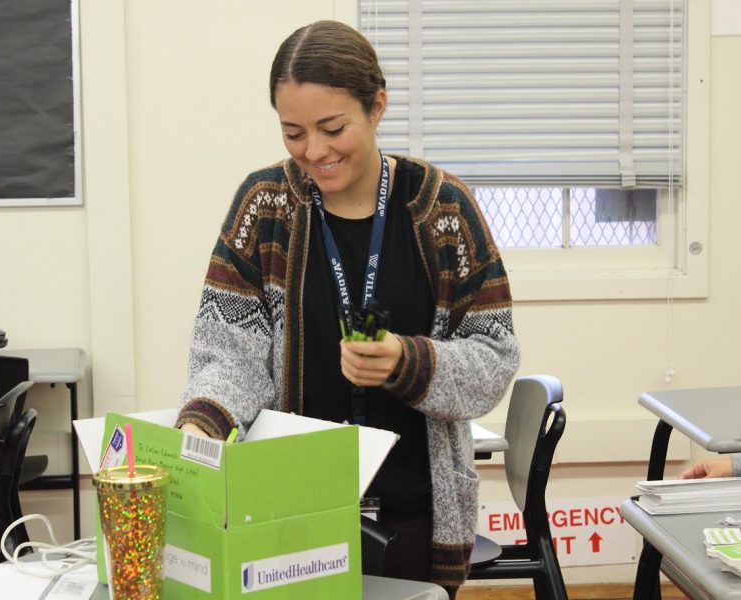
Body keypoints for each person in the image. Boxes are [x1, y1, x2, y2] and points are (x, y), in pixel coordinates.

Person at [175, 20, 519, 597]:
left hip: (413, 517)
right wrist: (202, 422)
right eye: (293, 133)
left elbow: (494, 357)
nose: (314, 151)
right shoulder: (265, 207)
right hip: (285, 517)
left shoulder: (444, 211)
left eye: (333, 128)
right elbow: (228, 353)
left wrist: (409, 363)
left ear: (376, 106)